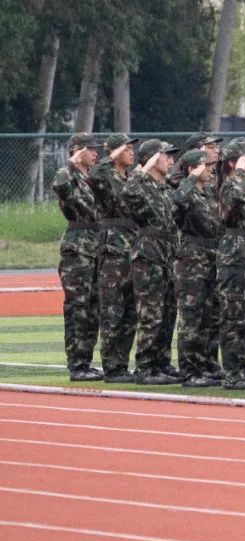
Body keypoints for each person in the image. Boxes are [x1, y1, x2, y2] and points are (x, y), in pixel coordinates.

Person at [122, 139, 182, 385]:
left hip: (168, 252)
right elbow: (128, 192)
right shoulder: (141, 185)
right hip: (149, 253)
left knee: (168, 312)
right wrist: (143, 168)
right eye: (166, 156)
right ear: (152, 159)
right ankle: (146, 366)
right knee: (151, 313)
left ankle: (161, 363)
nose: (171, 160)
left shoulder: (166, 188)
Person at [51, 133, 103, 381]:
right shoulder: (68, 176)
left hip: (95, 245)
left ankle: (86, 361)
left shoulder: (89, 177)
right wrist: (71, 162)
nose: (95, 153)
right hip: (78, 247)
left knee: (92, 308)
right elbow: (59, 185)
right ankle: (77, 364)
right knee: (78, 308)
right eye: (89, 149)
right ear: (77, 151)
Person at [89, 133, 139, 383]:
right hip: (113, 250)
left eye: (131, 148)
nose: (131, 152)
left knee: (131, 312)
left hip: (134, 249)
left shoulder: (131, 178)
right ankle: (111, 366)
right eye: (126, 148)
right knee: (112, 310)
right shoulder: (104, 176)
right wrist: (112, 155)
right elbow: (94, 174)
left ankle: (122, 364)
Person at [172, 149, 222, 387]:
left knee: (208, 316)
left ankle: (205, 366)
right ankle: (189, 370)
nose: (211, 169)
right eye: (205, 166)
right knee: (191, 317)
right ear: (192, 169)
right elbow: (178, 198)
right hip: (192, 259)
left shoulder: (209, 192)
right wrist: (191, 178)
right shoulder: (187, 192)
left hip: (211, 256)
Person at [216, 139, 245, 391]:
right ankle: (233, 372)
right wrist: (242, 173)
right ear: (235, 162)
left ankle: (241, 365)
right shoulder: (230, 184)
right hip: (234, 253)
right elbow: (232, 204)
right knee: (234, 315)